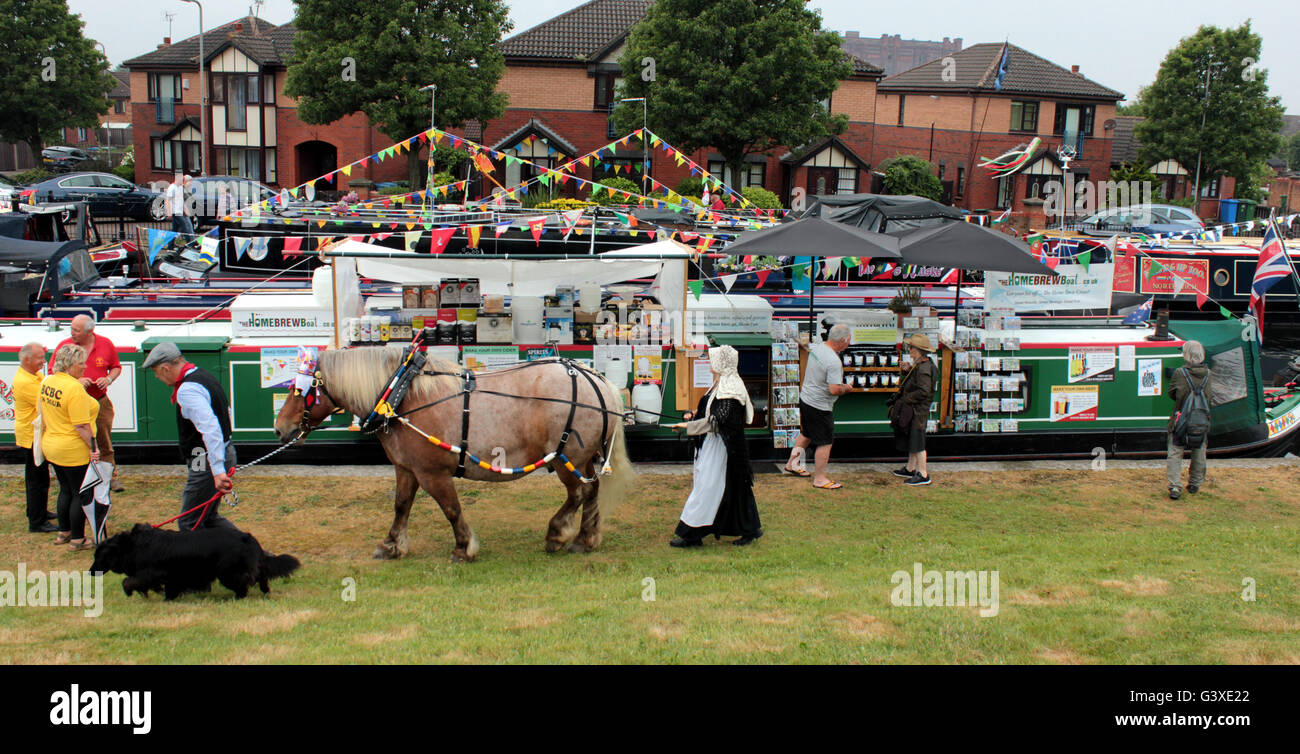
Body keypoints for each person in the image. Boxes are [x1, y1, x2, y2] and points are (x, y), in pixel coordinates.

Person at [670, 346, 762, 547]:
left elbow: (717, 421)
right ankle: (750, 528)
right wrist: (693, 413)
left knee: (707, 487)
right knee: (734, 487)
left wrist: (687, 426)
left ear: (721, 364)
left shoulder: (730, 390)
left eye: (713, 361)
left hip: (722, 446)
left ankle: (692, 535)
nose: (710, 365)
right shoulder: (720, 385)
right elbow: (710, 410)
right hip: (716, 444)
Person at [141, 342, 237, 531]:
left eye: (156, 373)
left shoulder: (187, 390)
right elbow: (227, 412)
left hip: (203, 457)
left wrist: (217, 471)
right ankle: (253, 553)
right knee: (208, 518)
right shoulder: (204, 376)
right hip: (221, 451)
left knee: (189, 521)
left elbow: (211, 429)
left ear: (165, 368)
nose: (157, 377)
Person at [39, 345, 102, 551]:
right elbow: (81, 425)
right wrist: (94, 447)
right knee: (80, 493)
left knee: (65, 489)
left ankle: (63, 532)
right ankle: (78, 539)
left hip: (52, 444)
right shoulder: (73, 388)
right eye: (81, 363)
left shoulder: (48, 381)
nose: (85, 367)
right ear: (70, 364)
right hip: (72, 448)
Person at [50, 315, 123, 492]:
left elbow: (116, 367)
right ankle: (84, 477)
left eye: (76, 330)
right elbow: (54, 370)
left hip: (99, 402)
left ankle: (109, 477)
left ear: (90, 331)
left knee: (104, 441)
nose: (72, 333)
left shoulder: (105, 344)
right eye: (72, 328)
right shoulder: (65, 346)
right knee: (81, 440)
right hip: (73, 404)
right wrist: (76, 381)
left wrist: (108, 379)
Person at [784, 323, 852, 489]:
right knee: (825, 442)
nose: (849, 343)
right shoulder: (834, 361)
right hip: (820, 405)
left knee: (807, 433)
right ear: (842, 340)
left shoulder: (819, 348)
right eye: (849, 340)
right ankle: (820, 479)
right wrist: (847, 388)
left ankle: (792, 464)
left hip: (806, 398)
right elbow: (834, 389)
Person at [14, 342, 57, 532]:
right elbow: (46, 403)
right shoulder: (25, 381)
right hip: (32, 436)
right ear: (26, 359)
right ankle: (37, 521)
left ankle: (37, 511)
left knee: (39, 476)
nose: (43, 361)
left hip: (34, 434)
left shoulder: (32, 375)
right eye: (40, 358)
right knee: (36, 479)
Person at [891, 334, 937, 486]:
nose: (909, 349)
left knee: (918, 440)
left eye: (911, 347)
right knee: (913, 437)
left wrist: (906, 399)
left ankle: (923, 474)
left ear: (918, 350)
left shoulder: (924, 368)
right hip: (915, 409)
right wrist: (908, 370)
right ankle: (911, 468)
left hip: (917, 410)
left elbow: (924, 391)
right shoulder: (922, 365)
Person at [1167, 340, 1210, 500]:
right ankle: (1195, 483)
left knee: (1175, 451)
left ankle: (1174, 486)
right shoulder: (1208, 374)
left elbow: (1172, 393)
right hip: (1200, 420)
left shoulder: (1180, 373)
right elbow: (1209, 396)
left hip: (1180, 418)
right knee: (1199, 451)